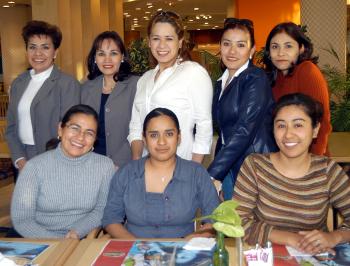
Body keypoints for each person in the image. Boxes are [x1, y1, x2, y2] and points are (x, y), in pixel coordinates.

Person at [233, 93, 350, 255]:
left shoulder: (327, 171)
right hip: (263, 256)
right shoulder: (255, 166)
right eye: (281, 125)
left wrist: (334, 237)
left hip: (314, 256)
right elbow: (238, 221)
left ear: (315, 130)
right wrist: (291, 239)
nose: (288, 134)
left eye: (298, 125)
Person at [102, 108, 219, 238]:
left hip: (183, 250)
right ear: (144, 139)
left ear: (178, 137)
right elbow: (111, 219)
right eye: (154, 135)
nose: (161, 142)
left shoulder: (196, 173)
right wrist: (136, 246)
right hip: (134, 251)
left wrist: (188, 242)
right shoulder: (127, 173)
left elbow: (215, 218)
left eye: (169, 134)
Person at [11, 104, 115, 239]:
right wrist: (59, 242)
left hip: (82, 237)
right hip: (37, 238)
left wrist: (77, 232)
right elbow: (22, 220)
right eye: (74, 128)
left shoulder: (105, 166)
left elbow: (102, 209)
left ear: (94, 140)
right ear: (60, 129)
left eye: (89, 133)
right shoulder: (34, 167)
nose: (80, 137)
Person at [128, 11, 213, 164]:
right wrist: (136, 162)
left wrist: (194, 171)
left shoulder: (193, 72)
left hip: (181, 166)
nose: (162, 45)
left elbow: (204, 126)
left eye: (169, 39)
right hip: (146, 169)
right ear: (149, 42)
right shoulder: (144, 79)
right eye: (156, 39)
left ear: (180, 42)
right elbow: (135, 126)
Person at [207, 18, 277, 200]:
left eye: (240, 45)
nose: (232, 51)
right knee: (232, 225)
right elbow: (224, 133)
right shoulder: (221, 82)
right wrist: (220, 175)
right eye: (227, 44)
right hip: (231, 166)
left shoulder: (255, 79)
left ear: (252, 50)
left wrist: (213, 173)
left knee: (250, 226)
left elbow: (244, 130)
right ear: (220, 46)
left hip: (254, 167)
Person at [5, 20, 80, 174]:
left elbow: (71, 129)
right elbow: (11, 128)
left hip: (55, 159)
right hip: (22, 159)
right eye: (32, 47)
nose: (38, 53)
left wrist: (49, 162)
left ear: (55, 52)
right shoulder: (19, 83)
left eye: (45, 47)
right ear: (26, 50)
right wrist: (19, 159)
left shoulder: (66, 83)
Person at [263, 22, 331, 155]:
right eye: (275, 47)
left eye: (288, 46)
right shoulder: (273, 78)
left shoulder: (307, 71)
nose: (281, 53)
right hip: (283, 156)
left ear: (301, 49)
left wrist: (315, 162)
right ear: (269, 52)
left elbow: (322, 122)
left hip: (309, 159)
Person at [82, 31, 139, 168]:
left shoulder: (136, 85)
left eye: (113, 53)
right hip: (90, 164)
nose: (107, 60)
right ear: (95, 58)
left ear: (122, 57)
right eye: (101, 54)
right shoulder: (85, 88)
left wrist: (118, 163)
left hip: (125, 164)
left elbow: (139, 128)